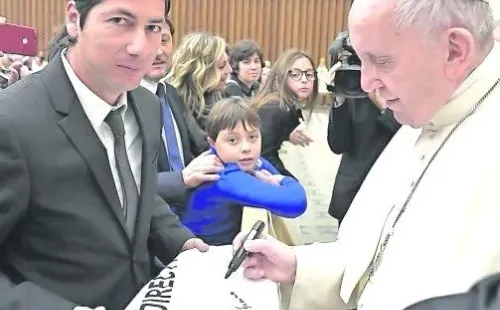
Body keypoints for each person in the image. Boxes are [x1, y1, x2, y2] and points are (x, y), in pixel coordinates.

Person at [233, 1, 500, 310]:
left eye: (382, 61)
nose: (365, 83)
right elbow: (377, 262)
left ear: (454, 50)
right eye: (362, 61)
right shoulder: (427, 106)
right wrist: (298, 267)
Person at [0, 1, 208, 310]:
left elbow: (138, 194)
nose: (140, 47)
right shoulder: (12, 121)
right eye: (120, 21)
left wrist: (181, 242)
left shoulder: (147, 107)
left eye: (153, 28)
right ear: (74, 20)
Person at [183, 97, 307, 245]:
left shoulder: (241, 160)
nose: (246, 147)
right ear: (213, 143)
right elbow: (296, 203)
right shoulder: (223, 178)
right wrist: (283, 180)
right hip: (205, 256)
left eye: (252, 137)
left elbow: (265, 168)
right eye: (232, 140)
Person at [140, 18, 223, 217]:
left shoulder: (171, 94)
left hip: (186, 216)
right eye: (148, 41)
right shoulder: (119, 102)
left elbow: (197, 148)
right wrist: (181, 179)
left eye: (164, 41)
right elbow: (119, 185)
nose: (158, 52)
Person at [327, 58, 401, 224]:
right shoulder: (354, 88)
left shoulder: (404, 87)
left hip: (391, 195)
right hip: (353, 194)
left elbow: (415, 136)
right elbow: (337, 145)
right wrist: (340, 98)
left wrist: (385, 108)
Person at [250, 48, 317, 178]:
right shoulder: (275, 108)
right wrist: (286, 181)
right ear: (282, 76)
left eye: (309, 74)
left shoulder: (284, 105)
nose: (304, 80)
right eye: (296, 74)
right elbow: (261, 155)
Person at [167, 32, 232, 155]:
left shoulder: (223, 99)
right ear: (201, 69)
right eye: (222, 66)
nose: (230, 70)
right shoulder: (170, 105)